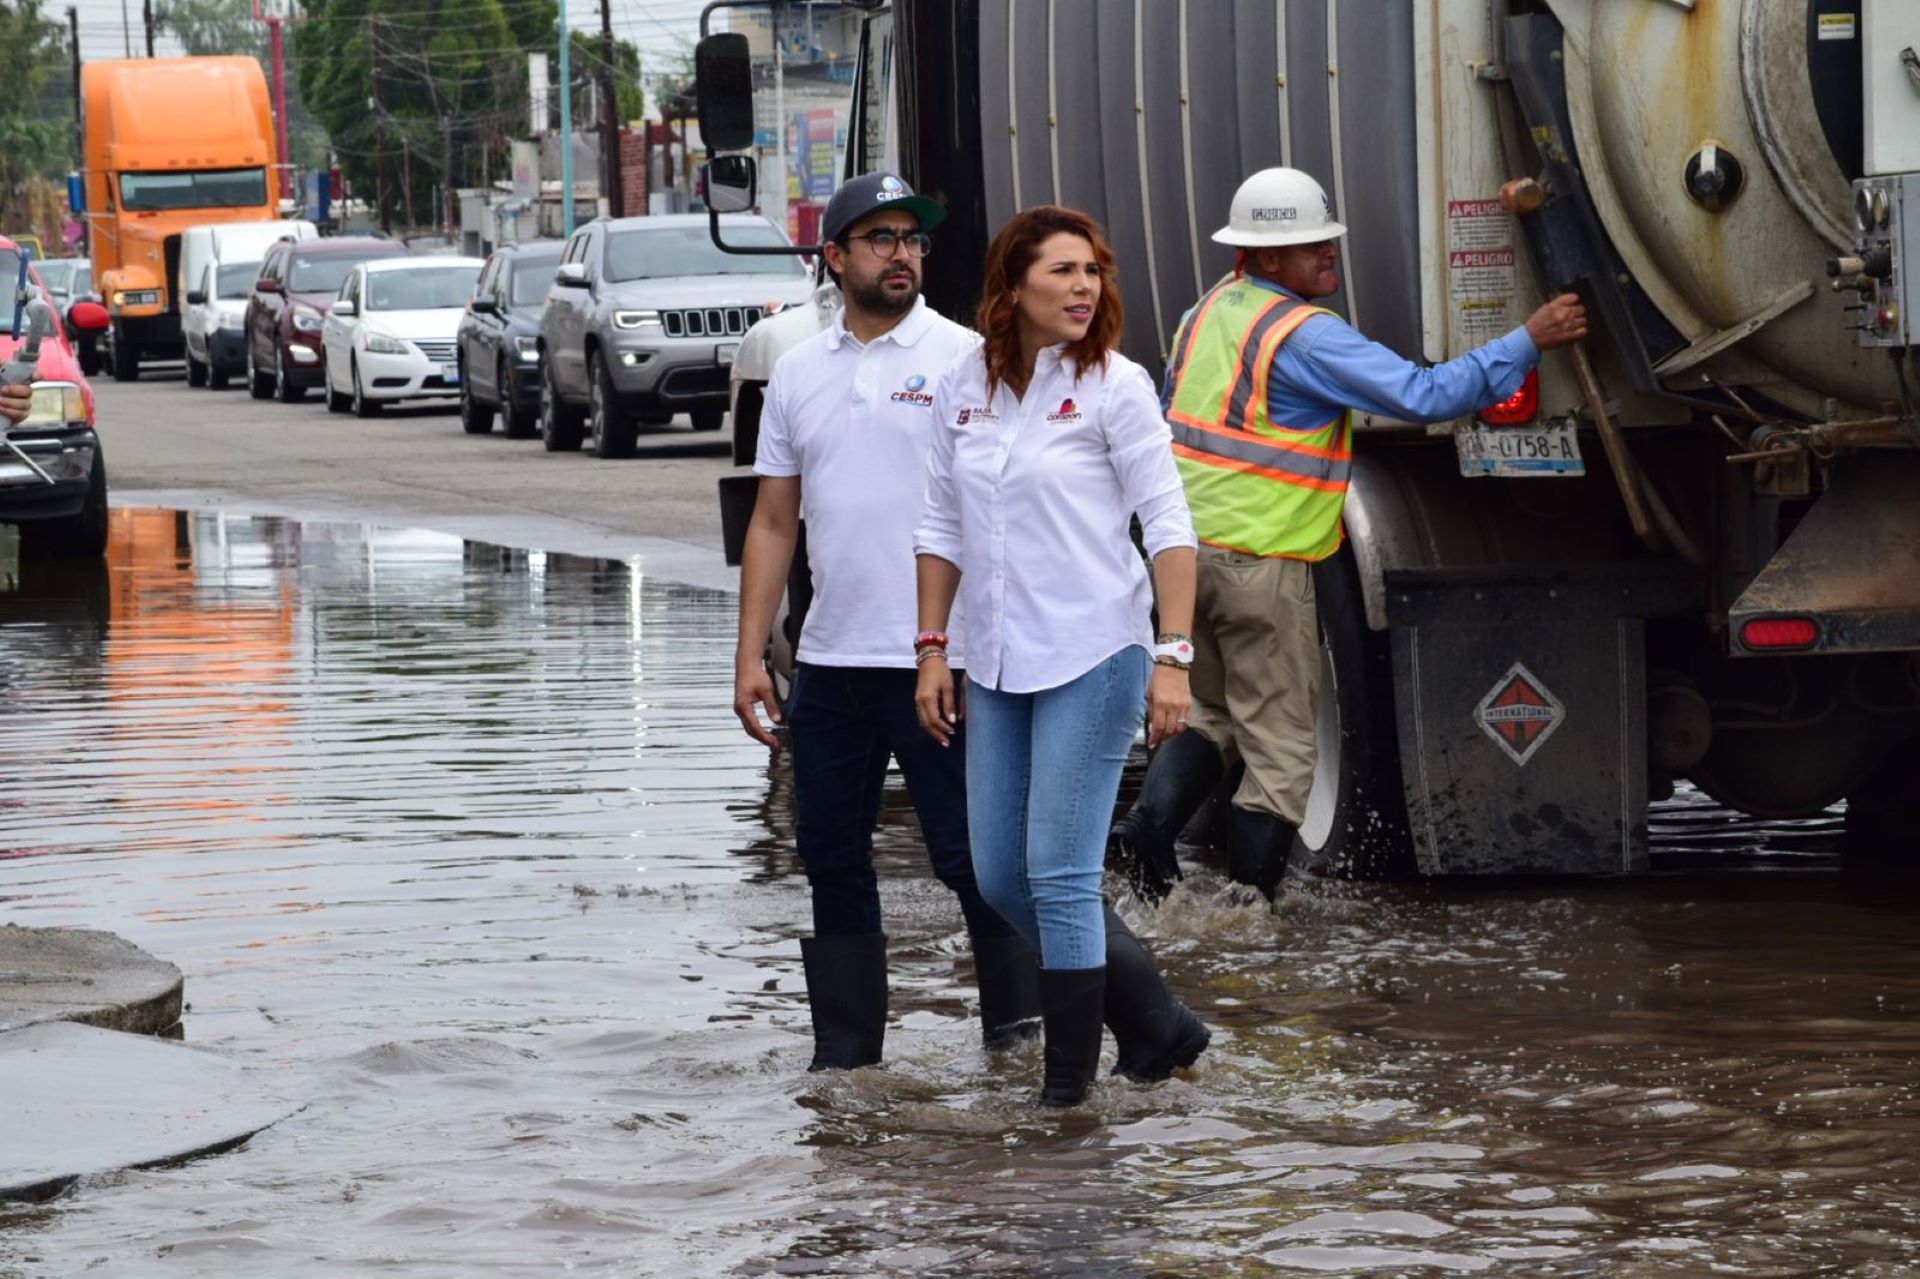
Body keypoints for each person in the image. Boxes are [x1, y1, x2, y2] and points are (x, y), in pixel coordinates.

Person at [1109, 167, 1590, 902]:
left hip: (1183, 558)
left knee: (1212, 714)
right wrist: (1530, 339)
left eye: (1329, 239)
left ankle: (1149, 828)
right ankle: (1249, 916)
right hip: (1261, 562)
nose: (1330, 254)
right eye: (1310, 246)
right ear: (1267, 258)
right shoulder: (1305, 336)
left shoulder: (1206, 311)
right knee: (1282, 753)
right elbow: (1427, 395)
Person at [733, 172, 1040, 1073]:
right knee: (828, 855)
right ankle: (847, 1066)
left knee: (972, 860)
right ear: (835, 258)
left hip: (938, 660)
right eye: (881, 238)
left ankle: (1017, 1050)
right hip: (830, 662)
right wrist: (754, 652)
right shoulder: (796, 370)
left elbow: (1001, 506)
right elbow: (773, 521)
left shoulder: (966, 357)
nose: (903, 253)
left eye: (913, 238)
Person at [914, 205, 1211, 1108]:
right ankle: (1158, 1025)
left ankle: (1065, 1097)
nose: (1085, 287)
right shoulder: (963, 383)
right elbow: (938, 524)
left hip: (1094, 648)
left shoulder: (1117, 386)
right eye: (1063, 272)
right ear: (1013, 286)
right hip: (994, 658)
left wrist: (1174, 654)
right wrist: (932, 647)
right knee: (1000, 874)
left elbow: (1169, 526)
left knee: (1060, 873)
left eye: (1093, 272)